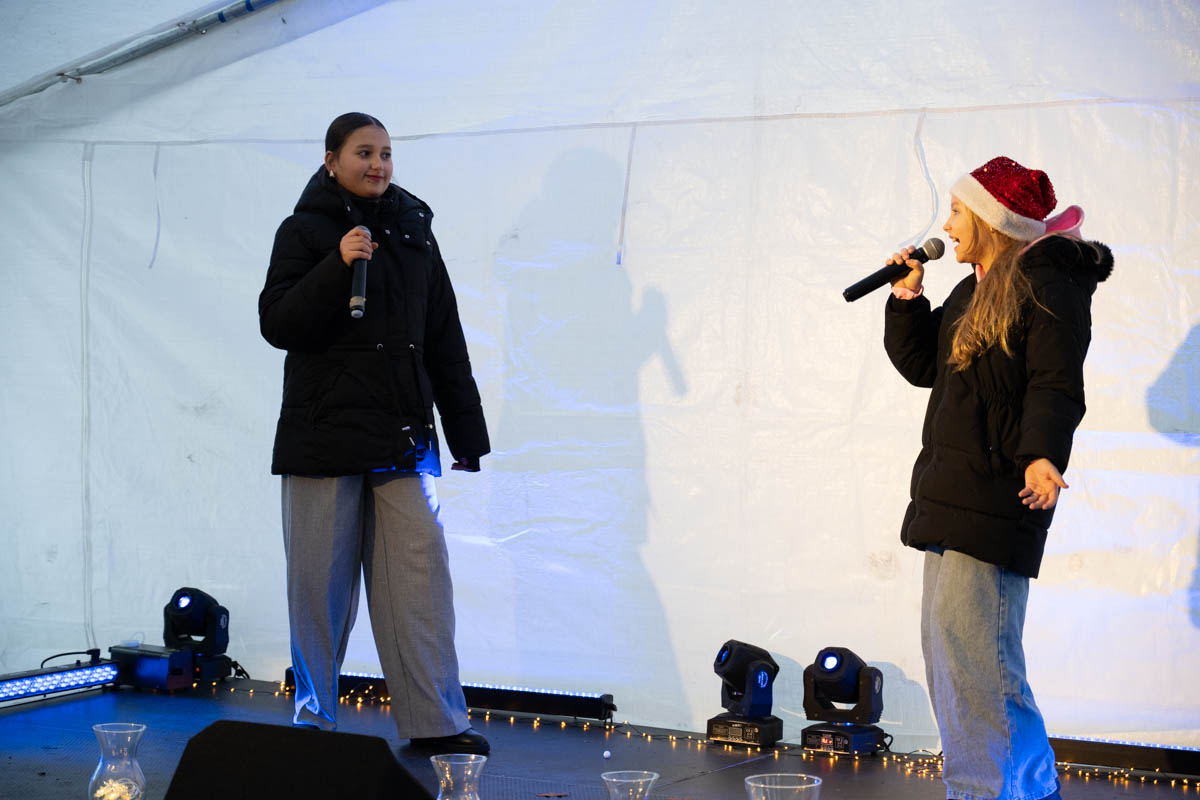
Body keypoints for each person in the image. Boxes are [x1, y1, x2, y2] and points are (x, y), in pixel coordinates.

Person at [259, 112, 490, 754]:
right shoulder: (303, 231)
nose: (378, 164)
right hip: (323, 437)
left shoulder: (415, 232)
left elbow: (443, 334)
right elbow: (278, 322)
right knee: (319, 591)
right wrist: (337, 265)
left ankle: (437, 722)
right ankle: (314, 722)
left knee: (420, 579)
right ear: (331, 160)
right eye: (364, 152)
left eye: (386, 153)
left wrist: (465, 432)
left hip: (401, 434)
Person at [883, 156, 1113, 800]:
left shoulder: (1047, 284)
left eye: (958, 211)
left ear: (993, 219)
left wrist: (1043, 455)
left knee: (979, 662)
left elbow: (1055, 383)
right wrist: (907, 297)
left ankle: (984, 791)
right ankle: (1030, 787)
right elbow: (926, 365)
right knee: (950, 658)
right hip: (950, 492)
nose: (947, 225)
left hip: (998, 493)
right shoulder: (974, 288)